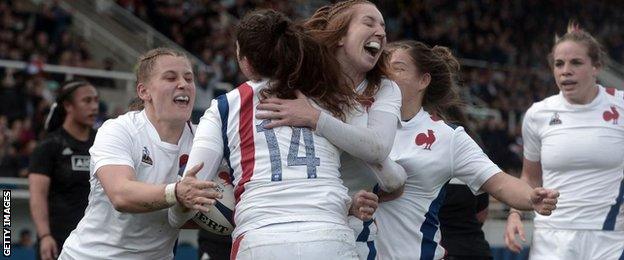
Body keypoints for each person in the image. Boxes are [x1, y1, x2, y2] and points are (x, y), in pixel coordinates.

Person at [168, 9, 379, 260]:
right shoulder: (330, 98)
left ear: (244, 59)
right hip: (330, 236)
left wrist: (175, 214)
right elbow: (387, 169)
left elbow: (194, 187)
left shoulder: (225, 107)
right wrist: (346, 202)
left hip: (260, 239)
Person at [370, 40, 559, 260]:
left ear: (423, 80)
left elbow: (499, 182)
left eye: (398, 68)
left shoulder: (447, 137)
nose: (386, 74)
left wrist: (530, 197)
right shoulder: (357, 124)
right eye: (383, 66)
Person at [254, 1, 406, 258]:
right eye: (369, 23)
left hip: (356, 230)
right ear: (339, 36)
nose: (381, 32)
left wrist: (315, 119)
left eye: (383, 26)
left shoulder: (385, 88)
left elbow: (378, 147)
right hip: (297, 221)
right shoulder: (301, 81)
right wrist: (393, 175)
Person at [58, 47, 222, 260]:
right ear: (144, 92)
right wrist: (177, 193)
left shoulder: (205, 140)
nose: (183, 84)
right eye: (170, 77)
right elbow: (121, 194)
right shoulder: (119, 130)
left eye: (189, 78)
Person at [504, 22, 624, 260]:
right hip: (551, 237)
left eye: (576, 63)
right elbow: (529, 177)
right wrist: (515, 213)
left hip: (610, 238)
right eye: (559, 64)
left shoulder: (621, 105)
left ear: (596, 67)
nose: (565, 71)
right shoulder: (538, 114)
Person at [28, 80, 98, 260]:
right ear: (68, 106)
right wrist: (45, 236)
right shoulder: (49, 146)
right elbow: (38, 196)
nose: (94, 107)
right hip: (58, 239)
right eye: (87, 101)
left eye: (96, 100)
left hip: (96, 241)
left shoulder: (102, 143)